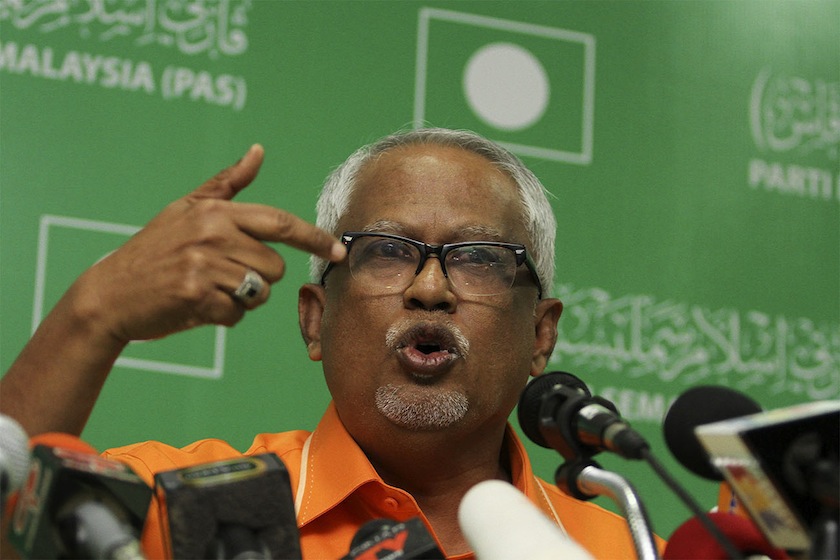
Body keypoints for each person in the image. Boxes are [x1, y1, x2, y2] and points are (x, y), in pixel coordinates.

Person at [1, 128, 652, 559]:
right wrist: (93, 314)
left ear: (540, 335)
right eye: (387, 252)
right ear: (315, 320)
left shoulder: (622, 548)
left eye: (477, 258)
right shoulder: (172, 510)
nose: (429, 288)